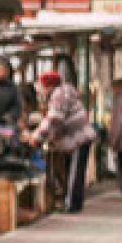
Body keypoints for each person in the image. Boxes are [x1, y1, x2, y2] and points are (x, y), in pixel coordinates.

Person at [30, 72, 96, 213]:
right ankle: (74, 204)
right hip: (78, 137)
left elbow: (54, 119)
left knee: (75, 173)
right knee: (75, 172)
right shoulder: (64, 91)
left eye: (41, 86)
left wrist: (36, 137)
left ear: (48, 85)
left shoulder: (59, 95)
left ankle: (71, 205)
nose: (40, 89)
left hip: (79, 138)